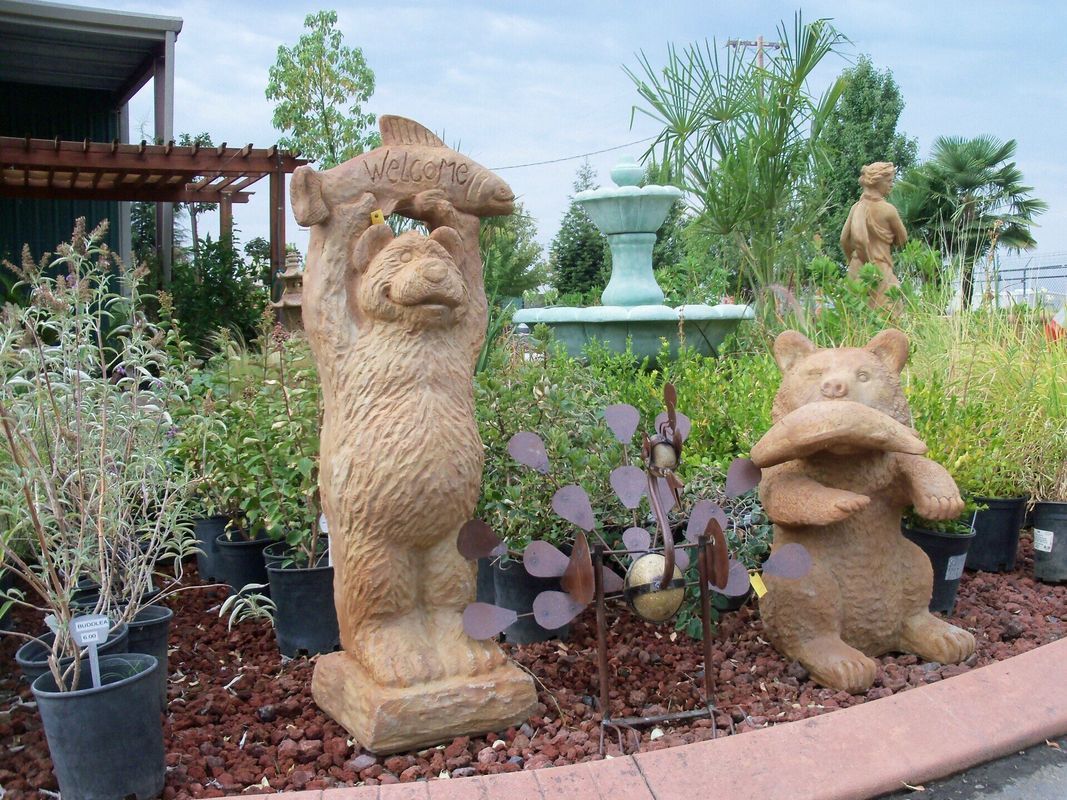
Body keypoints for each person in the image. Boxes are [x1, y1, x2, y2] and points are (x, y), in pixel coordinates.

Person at [840, 162, 908, 309]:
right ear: (877, 182)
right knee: (889, 314)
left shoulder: (856, 208)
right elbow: (902, 239)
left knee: (856, 315)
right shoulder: (888, 210)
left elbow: (844, 239)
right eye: (889, 181)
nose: (891, 185)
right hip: (880, 268)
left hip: (856, 267)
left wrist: (850, 258)